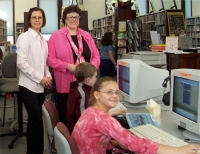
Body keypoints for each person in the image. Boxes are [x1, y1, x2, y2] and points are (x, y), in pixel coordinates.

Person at [72, 77, 200, 154]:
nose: (115, 96)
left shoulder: (91, 112)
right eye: (109, 92)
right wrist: (177, 150)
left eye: (117, 92)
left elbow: (95, 140)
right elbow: (134, 144)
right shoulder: (104, 119)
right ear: (97, 95)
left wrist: (114, 143)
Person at [47, 5, 100, 126]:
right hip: (66, 84)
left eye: (76, 16)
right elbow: (51, 59)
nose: (73, 19)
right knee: (68, 117)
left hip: (87, 83)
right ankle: (68, 143)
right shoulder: (56, 36)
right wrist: (67, 66)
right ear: (64, 19)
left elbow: (96, 56)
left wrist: (90, 69)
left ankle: (85, 141)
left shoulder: (86, 35)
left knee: (87, 116)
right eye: (70, 17)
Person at [16, 7, 52, 154]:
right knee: (36, 121)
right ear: (29, 20)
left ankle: (36, 150)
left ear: (43, 20)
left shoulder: (44, 40)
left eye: (40, 17)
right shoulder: (24, 37)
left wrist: (48, 76)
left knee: (35, 121)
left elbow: (45, 64)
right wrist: (40, 77)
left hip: (41, 86)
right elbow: (21, 63)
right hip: (28, 86)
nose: (37, 20)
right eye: (34, 17)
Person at [66, 62, 97, 134]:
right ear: (88, 80)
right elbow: (84, 120)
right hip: (79, 133)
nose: (96, 79)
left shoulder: (77, 87)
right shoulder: (82, 94)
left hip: (76, 128)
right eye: (95, 76)